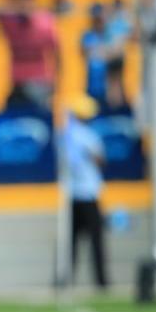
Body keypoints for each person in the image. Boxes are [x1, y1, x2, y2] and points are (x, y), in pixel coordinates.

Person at [63, 94, 109, 289]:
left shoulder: (66, 134)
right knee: (96, 241)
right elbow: (100, 161)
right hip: (88, 193)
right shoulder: (89, 136)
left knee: (71, 242)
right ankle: (101, 280)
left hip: (72, 194)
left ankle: (66, 279)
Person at [0, 0, 60, 112]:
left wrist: (55, 79)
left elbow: (57, 52)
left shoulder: (45, 21)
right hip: (17, 80)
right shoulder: (11, 21)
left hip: (39, 80)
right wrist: (18, 6)